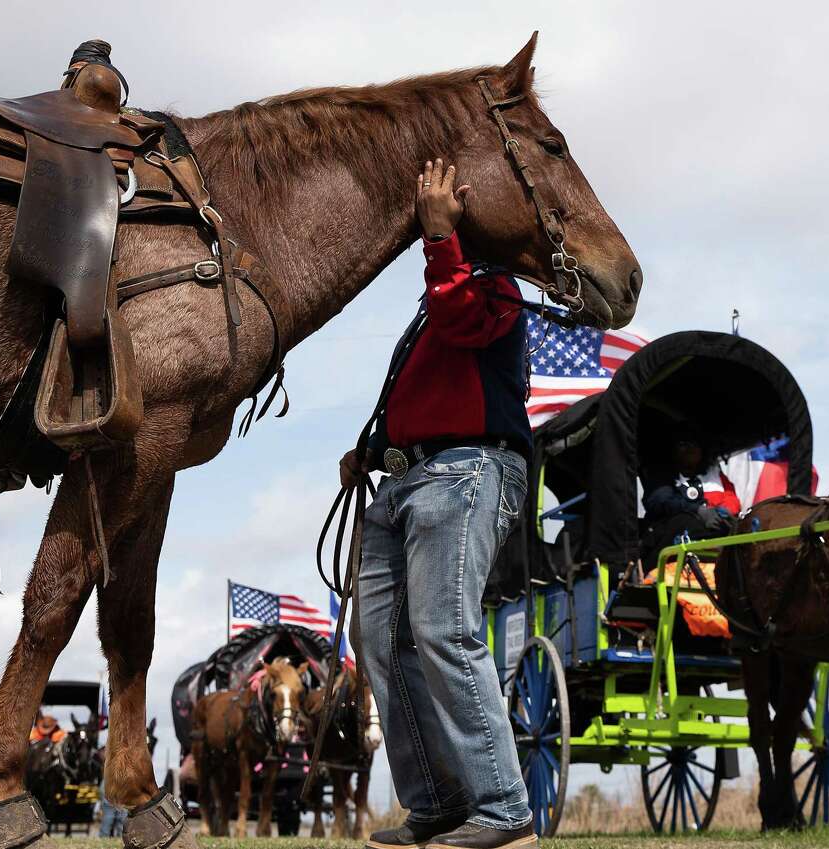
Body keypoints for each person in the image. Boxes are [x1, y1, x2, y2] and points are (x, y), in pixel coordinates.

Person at [340, 159, 535, 849]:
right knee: (385, 645)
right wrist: (371, 449)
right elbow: (423, 391)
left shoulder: (494, 287)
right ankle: (441, 806)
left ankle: (504, 809)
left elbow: (460, 320)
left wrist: (438, 239)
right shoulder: (439, 300)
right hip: (409, 478)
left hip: (466, 470)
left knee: (444, 629)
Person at [641, 426, 740, 559]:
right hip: (669, 548)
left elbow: (731, 498)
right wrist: (699, 511)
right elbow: (661, 501)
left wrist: (721, 512)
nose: (690, 448)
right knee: (684, 521)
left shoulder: (714, 473)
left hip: (714, 545)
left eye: (695, 444)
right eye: (683, 444)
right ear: (673, 449)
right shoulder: (661, 475)